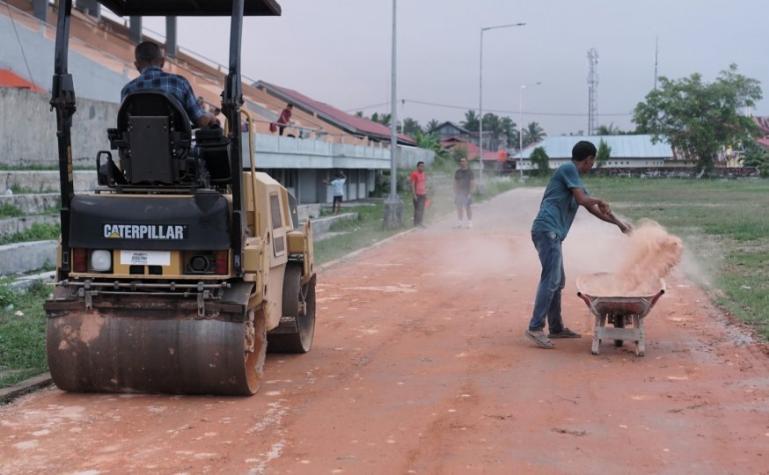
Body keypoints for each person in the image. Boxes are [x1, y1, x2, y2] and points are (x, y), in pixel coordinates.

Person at [525, 140, 631, 349]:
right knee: (551, 279)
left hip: (552, 234)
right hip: (547, 230)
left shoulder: (575, 181)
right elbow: (584, 200)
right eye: (593, 161)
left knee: (557, 281)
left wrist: (619, 224)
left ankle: (556, 328)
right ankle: (535, 327)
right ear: (588, 159)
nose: (592, 165)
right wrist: (598, 200)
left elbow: (592, 208)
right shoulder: (568, 169)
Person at [121, 41, 217, 128]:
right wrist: (211, 116)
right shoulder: (180, 83)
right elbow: (201, 121)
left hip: (138, 141)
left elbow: (124, 126)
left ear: (136, 65)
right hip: (175, 142)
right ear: (163, 62)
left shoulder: (127, 90)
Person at [453, 157, 475, 229]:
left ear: (466, 162)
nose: (462, 162)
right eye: (461, 161)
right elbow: (455, 182)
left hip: (467, 192)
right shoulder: (457, 172)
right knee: (459, 207)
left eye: (464, 161)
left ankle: (470, 222)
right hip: (459, 192)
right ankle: (460, 222)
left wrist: (470, 193)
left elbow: (472, 183)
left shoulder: (470, 172)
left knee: (468, 207)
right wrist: (455, 191)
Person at [410, 161, 427, 227]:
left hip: (423, 194)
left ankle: (420, 222)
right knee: (417, 209)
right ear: (417, 167)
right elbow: (412, 185)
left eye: (423, 166)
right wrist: (414, 195)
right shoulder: (414, 174)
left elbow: (424, 183)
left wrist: (426, 192)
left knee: (422, 209)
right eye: (421, 166)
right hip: (417, 194)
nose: (422, 167)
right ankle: (416, 223)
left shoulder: (424, 174)